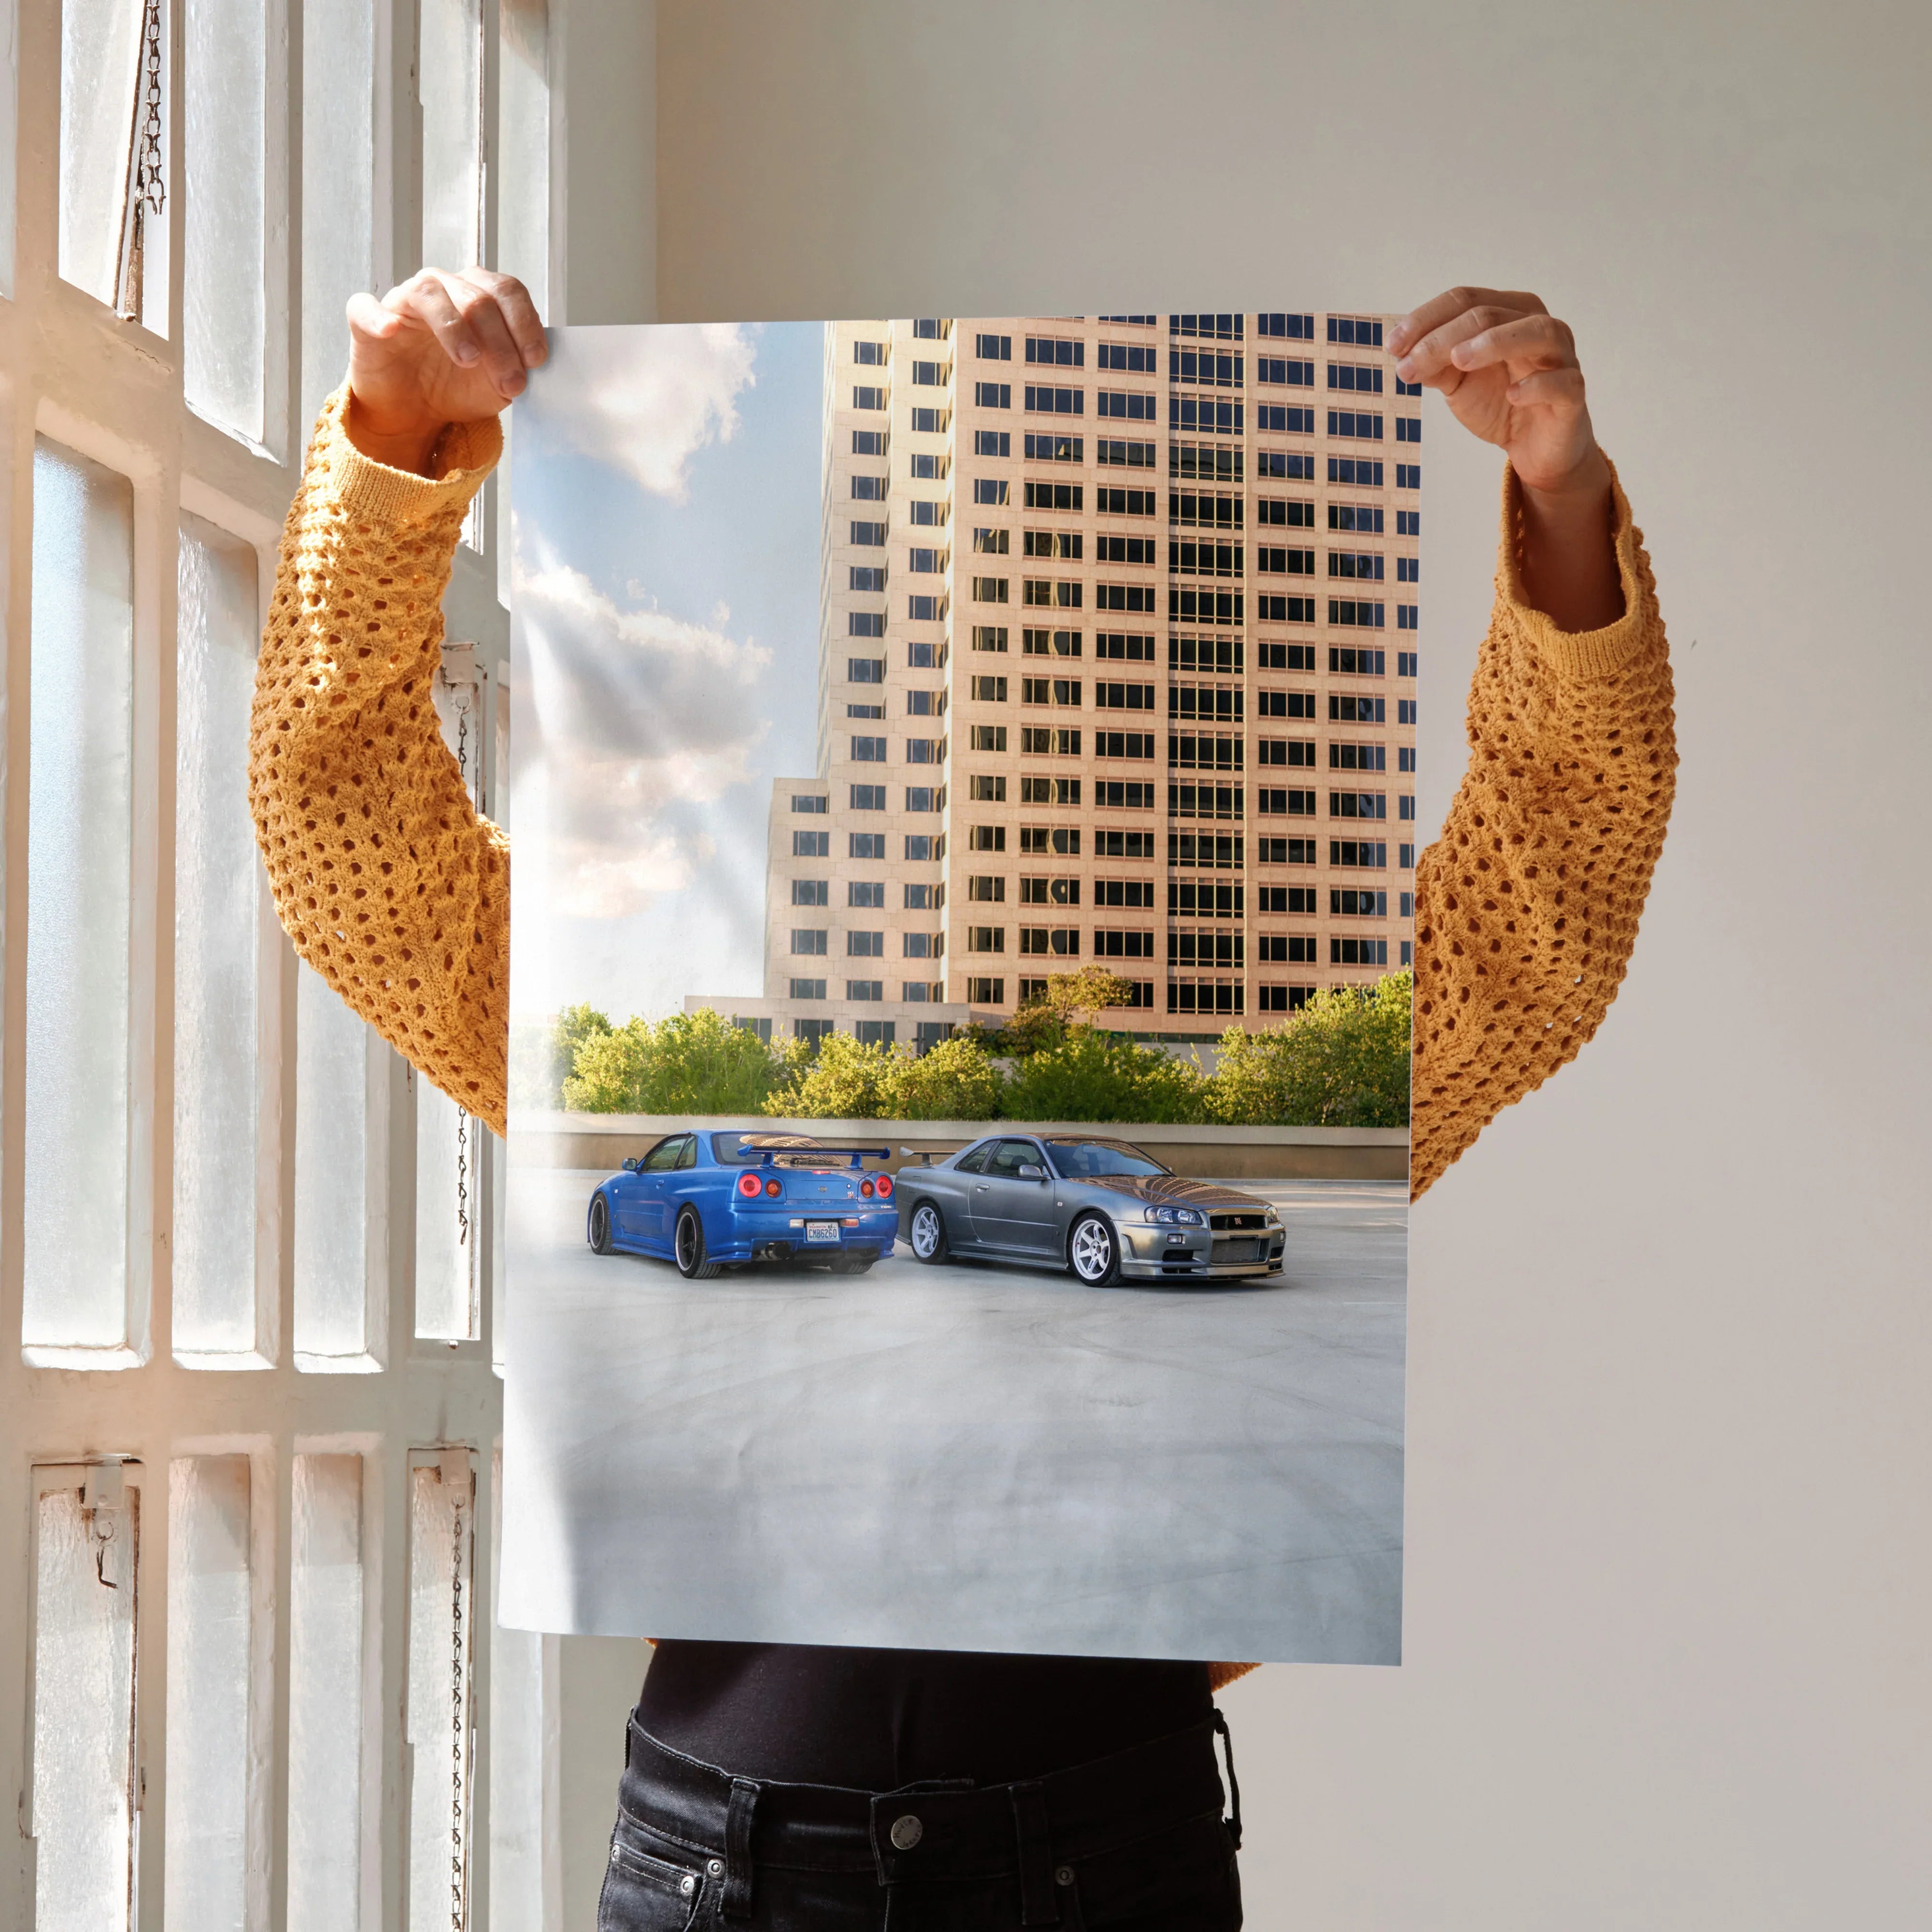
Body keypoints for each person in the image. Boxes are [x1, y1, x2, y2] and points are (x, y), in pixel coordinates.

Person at [250, 270, 1675, 1929]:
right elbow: (347, 840)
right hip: (729, 1864)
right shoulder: (647, 1019)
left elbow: (1548, 900)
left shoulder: (1244, 1035)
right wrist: (394, 445)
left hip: (1104, 1848)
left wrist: (1561, 497)